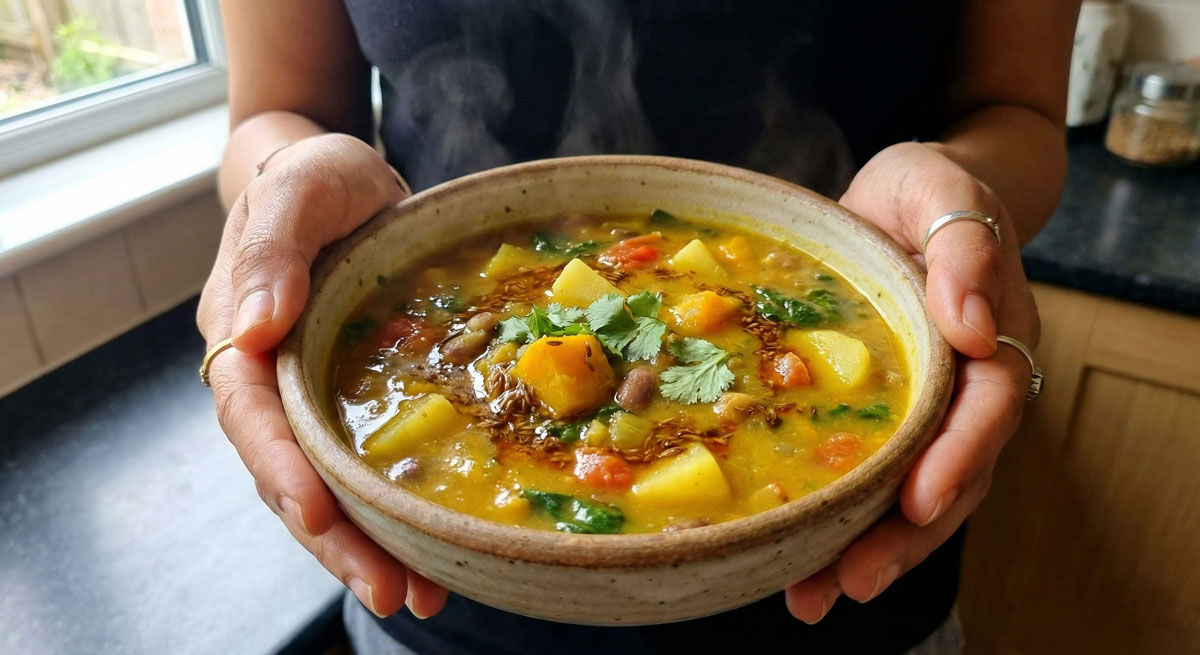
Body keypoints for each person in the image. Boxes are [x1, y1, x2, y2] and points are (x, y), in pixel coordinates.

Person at [198, 1, 1077, 652]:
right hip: (438, 597)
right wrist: (283, 178)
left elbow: (1020, 113)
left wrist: (960, 199)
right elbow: (275, 112)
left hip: (856, 587)